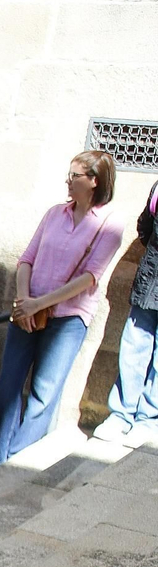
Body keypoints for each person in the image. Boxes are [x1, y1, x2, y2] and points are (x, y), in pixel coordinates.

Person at [0, 150, 123, 476]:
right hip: (29, 308)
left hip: (68, 316)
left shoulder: (110, 225)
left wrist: (39, 304)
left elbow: (89, 278)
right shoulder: (55, 213)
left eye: (75, 175)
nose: (67, 181)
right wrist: (25, 300)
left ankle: (16, 463)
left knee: (44, 392)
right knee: (9, 383)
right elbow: (26, 258)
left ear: (94, 181)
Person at [98, 179, 158, 447]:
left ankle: (149, 420)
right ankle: (121, 415)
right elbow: (145, 226)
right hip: (150, 282)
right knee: (133, 347)